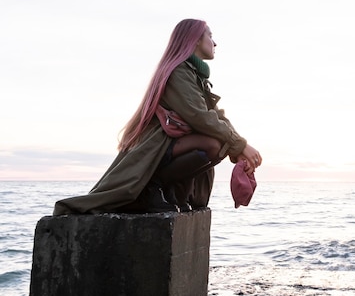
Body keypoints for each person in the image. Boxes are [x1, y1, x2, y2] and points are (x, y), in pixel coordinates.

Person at [53, 19, 262, 215]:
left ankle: (171, 191)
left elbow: (217, 116)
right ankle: (151, 187)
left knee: (219, 144)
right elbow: (199, 116)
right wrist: (240, 145)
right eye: (210, 35)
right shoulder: (179, 71)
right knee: (213, 145)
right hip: (157, 143)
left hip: (172, 143)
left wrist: (240, 146)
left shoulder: (194, 75)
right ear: (196, 39)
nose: (215, 42)